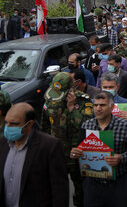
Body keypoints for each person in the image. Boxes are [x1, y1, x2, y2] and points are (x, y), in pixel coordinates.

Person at [71, 91, 127, 207]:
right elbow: (79, 150)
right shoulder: (86, 126)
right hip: (93, 183)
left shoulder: (125, 126)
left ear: (112, 106)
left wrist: (121, 158)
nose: (98, 108)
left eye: (102, 105)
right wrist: (75, 153)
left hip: (118, 182)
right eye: (96, 105)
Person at [0, 102, 69, 206]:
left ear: (29, 124)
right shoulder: (2, 142)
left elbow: (59, 189)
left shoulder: (49, 146)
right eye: (6, 122)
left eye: (14, 124)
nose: (8, 127)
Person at [41, 72, 93, 207]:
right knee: (56, 187)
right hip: (57, 153)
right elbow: (45, 125)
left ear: (72, 89)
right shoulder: (50, 99)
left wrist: (71, 108)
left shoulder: (84, 101)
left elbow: (87, 126)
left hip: (77, 154)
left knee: (81, 187)